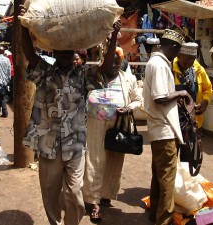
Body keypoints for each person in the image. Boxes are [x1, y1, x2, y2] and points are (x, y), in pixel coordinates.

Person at [20, 4, 122, 225]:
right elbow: (29, 53)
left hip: (75, 145)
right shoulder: (45, 72)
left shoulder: (84, 75)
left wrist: (113, 36)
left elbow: (105, 68)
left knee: (75, 194)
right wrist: (22, 25)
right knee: (50, 192)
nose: (66, 56)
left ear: (75, 53)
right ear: (54, 52)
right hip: (49, 145)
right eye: (61, 51)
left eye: (70, 52)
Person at [82, 48, 142, 221]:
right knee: (94, 159)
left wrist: (129, 108)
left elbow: (138, 99)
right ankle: (93, 201)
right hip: (95, 124)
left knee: (114, 161)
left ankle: (105, 194)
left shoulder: (129, 79)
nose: (115, 65)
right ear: (104, 60)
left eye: (118, 61)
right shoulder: (95, 75)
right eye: (111, 61)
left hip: (118, 124)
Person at [143, 29, 190, 225]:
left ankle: (155, 214)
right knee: (167, 180)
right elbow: (160, 97)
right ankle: (164, 220)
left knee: (159, 176)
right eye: (178, 50)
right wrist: (182, 94)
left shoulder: (154, 63)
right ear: (172, 47)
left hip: (158, 128)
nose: (178, 55)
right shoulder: (160, 65)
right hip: (164, 129)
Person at [172, 42, 212, 162]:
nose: (187, 65)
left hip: (192, 125)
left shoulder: (198, 69)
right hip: (173, 125)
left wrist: (205, 102)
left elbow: (208, 89)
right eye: (185, 62)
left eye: (191, 62)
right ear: (179, 55)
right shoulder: (169, 68)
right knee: (171, 162)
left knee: (190, 161)